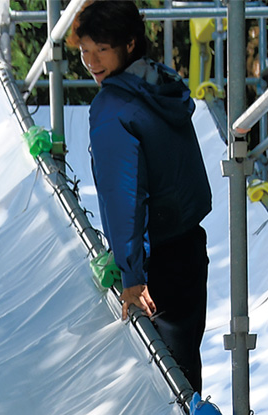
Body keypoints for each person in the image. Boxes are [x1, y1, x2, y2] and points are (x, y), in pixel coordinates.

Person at [71, 0, 212, 393]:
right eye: (85, 52)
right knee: (187, 365)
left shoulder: (113, 108)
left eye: (102, 50)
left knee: (165, 384)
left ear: (129, 44)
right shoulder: (161, 83)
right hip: (189, 244)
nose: (92, 62)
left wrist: (132, 276)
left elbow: (123, 196)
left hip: (156, 263)